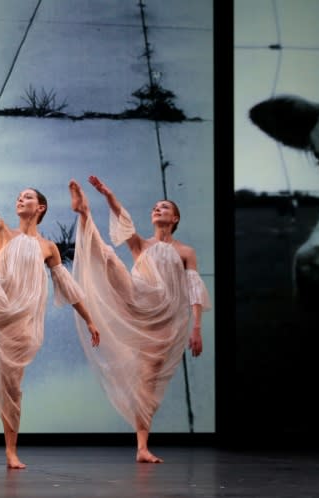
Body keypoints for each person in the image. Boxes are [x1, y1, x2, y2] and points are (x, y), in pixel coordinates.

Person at [0, 146, 100, 469]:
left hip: (23, 324)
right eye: (19, 197)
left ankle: (11, 451)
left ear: (40, 208)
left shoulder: (48, 247)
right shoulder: (3, 233)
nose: (20, 200)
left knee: (12, 388)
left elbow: (67, 287)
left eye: (27, 198)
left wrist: (90, 320)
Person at [68, 176, 211, 463]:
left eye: (164, 207)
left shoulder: (185, 252)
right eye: (155, 207)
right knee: (109, 257)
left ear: (175, 217)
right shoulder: (141, 246)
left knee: (147, 383)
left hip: (163, 323)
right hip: (137, 298)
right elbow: (124, 223)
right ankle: (85, 213)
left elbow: (194, 288)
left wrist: (196, 327)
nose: (158, 210)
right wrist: (108, 195)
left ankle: (142, 447)